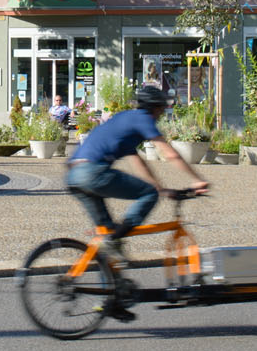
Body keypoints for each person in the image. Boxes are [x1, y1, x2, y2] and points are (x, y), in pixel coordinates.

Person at [65, 84, 208, 318]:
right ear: (155, 108)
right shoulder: (144, 119)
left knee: (107, 234)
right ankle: (114, 241)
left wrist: (161, 188)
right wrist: (197, 180)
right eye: (162, 108)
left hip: (74, 176)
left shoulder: (126, 119)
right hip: (92, 173)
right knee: (139, 205)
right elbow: (169, 153)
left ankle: (112, 300)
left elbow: (137, 160)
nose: (163, 112)